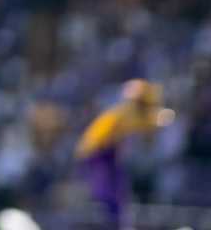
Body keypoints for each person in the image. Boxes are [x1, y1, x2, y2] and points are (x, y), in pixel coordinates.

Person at [75, 79, 175, 229]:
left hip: (109, 158)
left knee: (119, 197)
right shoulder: (120, 115)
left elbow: (148, 123)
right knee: (108, 198)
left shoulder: (128, 114)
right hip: (97, 156)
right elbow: (150, 122)